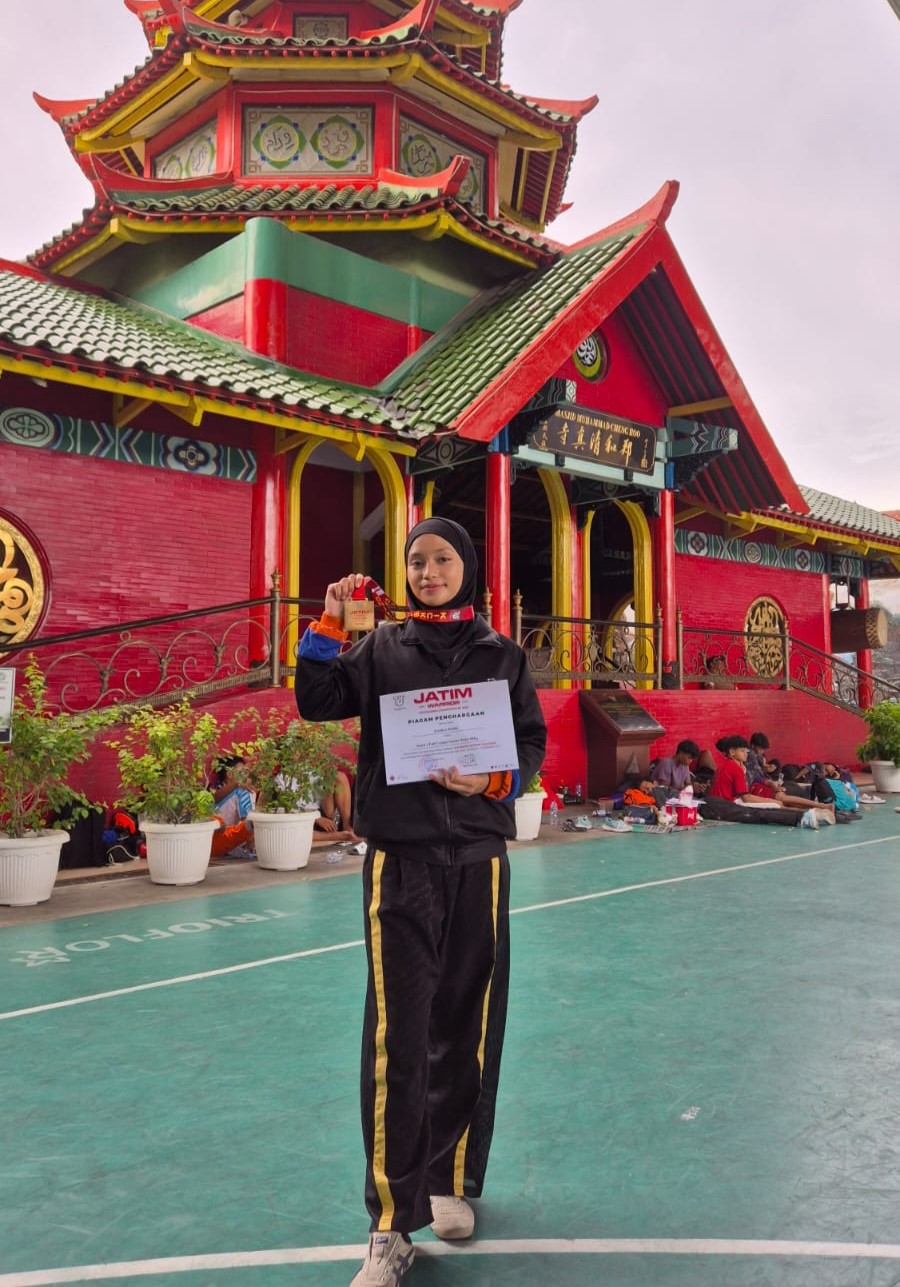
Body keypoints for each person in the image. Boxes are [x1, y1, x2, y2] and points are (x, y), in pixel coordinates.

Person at [294, 516, 547, 1287]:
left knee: (465, 1027)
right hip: (398, 864)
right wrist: (329, 626)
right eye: (416, 560)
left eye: (441, 558)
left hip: (477, 861)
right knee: (395, 1039)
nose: (429, 571)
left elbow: (529, 742)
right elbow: (316, 699)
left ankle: (448, 1180)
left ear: (466, 566)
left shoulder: (501, 654)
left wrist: (490, 779)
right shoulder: (381, 648)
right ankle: (390, 1224)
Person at [699, 736, 826, 828]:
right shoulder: (734, 767)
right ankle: (810, 814)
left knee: (778, 802)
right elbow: (746, 798)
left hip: (722, 803)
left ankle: (814, 811)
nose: (746, 754)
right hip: (727, 805)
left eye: (746, 751)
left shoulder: (730, 765)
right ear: (732, 752)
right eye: (742, 751)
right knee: (776, 805)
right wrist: (772, 800)